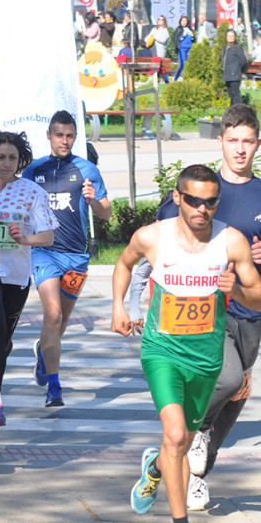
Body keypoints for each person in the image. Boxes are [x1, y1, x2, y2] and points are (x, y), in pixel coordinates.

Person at [111, 164, 261, 521]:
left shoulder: (231, 241)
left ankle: (155, 466)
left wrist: (237, 290)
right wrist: (118, 306)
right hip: (162, 350)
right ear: (178, 197)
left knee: (180, 443)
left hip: (205, 358)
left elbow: (257, 295)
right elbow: (123, 264)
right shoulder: (152, 236)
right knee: (176, 435)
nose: (201, 209)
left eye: (209, 202)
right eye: (193, 200)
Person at [142, 104, 261, 511]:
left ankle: (193, 470)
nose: (240, 149)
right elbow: (156, 243)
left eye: (248, 141)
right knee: (225, 381)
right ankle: (191, 438)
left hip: (250, 309)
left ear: (257, 144)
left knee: (238, 392)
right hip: (203, 315)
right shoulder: (201, 189)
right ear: (221, 141)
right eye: (233, 141)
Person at [0, 129, 57, 426]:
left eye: (13, 158)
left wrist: (26, 238)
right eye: (1, 157)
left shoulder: (33, 192)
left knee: (2, 341)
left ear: (21, 160)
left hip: (17, 276)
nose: (7, 163)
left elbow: (48, 236)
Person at [22, 110, 112, 407]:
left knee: (62, 320)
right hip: (45, 252)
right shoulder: (34, 171)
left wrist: (92, 200)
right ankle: (54, 386)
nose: (64, 141)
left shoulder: (87, 170)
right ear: (48, 135)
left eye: (70, 135)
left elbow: (106, 212)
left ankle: (43, 356)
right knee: (53, 315)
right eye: (59, 135)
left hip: (76, 256)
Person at [220, 29, 249, 105]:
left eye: (232, 36)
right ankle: (233, 110)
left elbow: (243, 61)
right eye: (228, 35)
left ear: (235, 37)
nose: (230, 37)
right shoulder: (226, 47)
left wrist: (238, 70)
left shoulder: (237, 47)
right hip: (227, 75)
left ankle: (239, 110)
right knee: (231, 95)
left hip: (234, 75)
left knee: (236, 94)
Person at [173, 15, 194, 80]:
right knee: (183, 64)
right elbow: (176, 39)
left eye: (185, 21)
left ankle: (188, 78)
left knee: (189, 64)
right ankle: (176, 78)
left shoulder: (189, 29)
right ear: (180, 22)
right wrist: (183, 36)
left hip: (189, 48)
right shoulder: (179, 29)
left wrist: (192, 36)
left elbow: (193, 39)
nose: (184, 22)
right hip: (182, 48)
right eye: (183, 21)